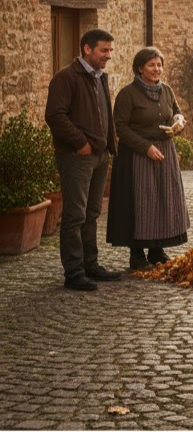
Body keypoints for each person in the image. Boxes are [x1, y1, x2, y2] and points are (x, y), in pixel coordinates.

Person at [45, 28, 122, 291]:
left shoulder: (100, 78)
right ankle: (74, 273)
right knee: (75, 215)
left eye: (110, 50)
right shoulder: (65, 78)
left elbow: (105, 116)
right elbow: (55, 116)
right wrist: (81, 143)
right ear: (87, 49)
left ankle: (91, 265)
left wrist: (110, 147)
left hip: (100, 156)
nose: (108, 56)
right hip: (77, 157)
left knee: (92, 213)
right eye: (104, 50)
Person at [106, 47, 190, 270]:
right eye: (152, 65)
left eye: (159, 65)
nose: (157, 69)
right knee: (141, 203)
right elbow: (121, 128)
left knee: (163, 201)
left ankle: (156, 250)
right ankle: (137, 254)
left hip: (165, 151)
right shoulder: (128, 94)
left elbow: (176, 111)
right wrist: (145, 148)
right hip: (137, 156)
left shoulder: (167, 91)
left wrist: (179, 121)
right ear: (140, 68)